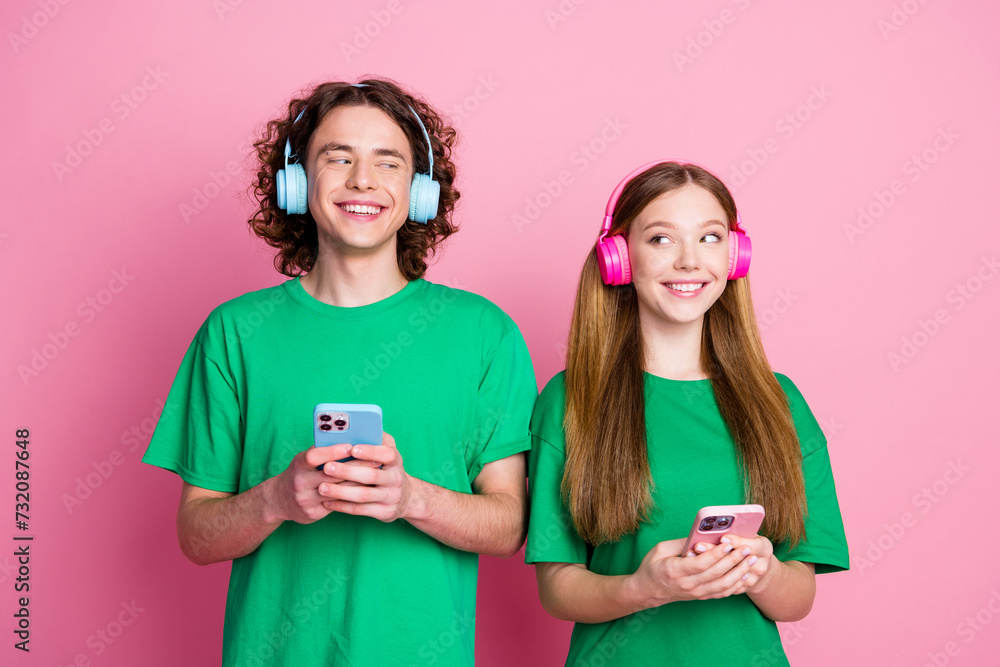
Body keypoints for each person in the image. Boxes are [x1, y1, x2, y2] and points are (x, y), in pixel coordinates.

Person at [142, 78, 537, 666]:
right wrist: (276, 499)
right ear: (297, 183)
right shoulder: (234, 332)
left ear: (419, 190)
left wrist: (410, 499)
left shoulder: (485, 333)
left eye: (389, 162)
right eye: (338, 157)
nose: (362, 181)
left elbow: (509, 526)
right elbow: (196, 536)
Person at [526, 161, 848, 666]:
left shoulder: (780, 403)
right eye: (660, 239)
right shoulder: (570, 399)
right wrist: (643, 588)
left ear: (735, 255)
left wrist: (763, 572)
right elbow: (558, 588)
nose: (689, 261)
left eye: (710, 238)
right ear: (619, 257)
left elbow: (798, 598)